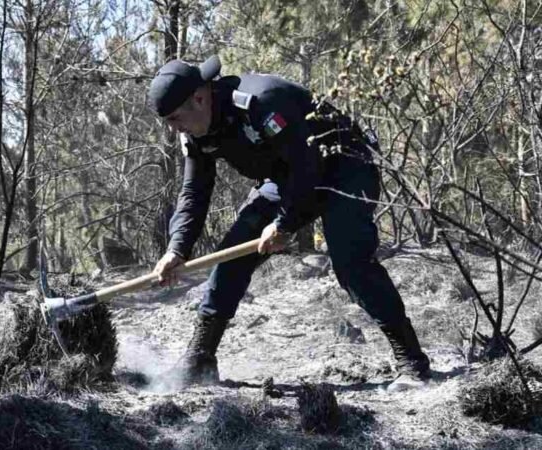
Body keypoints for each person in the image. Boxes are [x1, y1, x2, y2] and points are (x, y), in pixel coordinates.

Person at [147, 56, 430, 392]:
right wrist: (176, 248)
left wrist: (285, 223)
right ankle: (199, 358)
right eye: (167, 121)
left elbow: (306, 163)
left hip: (344, 166)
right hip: (287, 178)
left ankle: (411, 361)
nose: (173, 128)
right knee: (231, 255)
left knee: (350, 261)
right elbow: (194, 192)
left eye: (175, 118)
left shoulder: (261, 103)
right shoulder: (195, 133)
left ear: (200, 97)